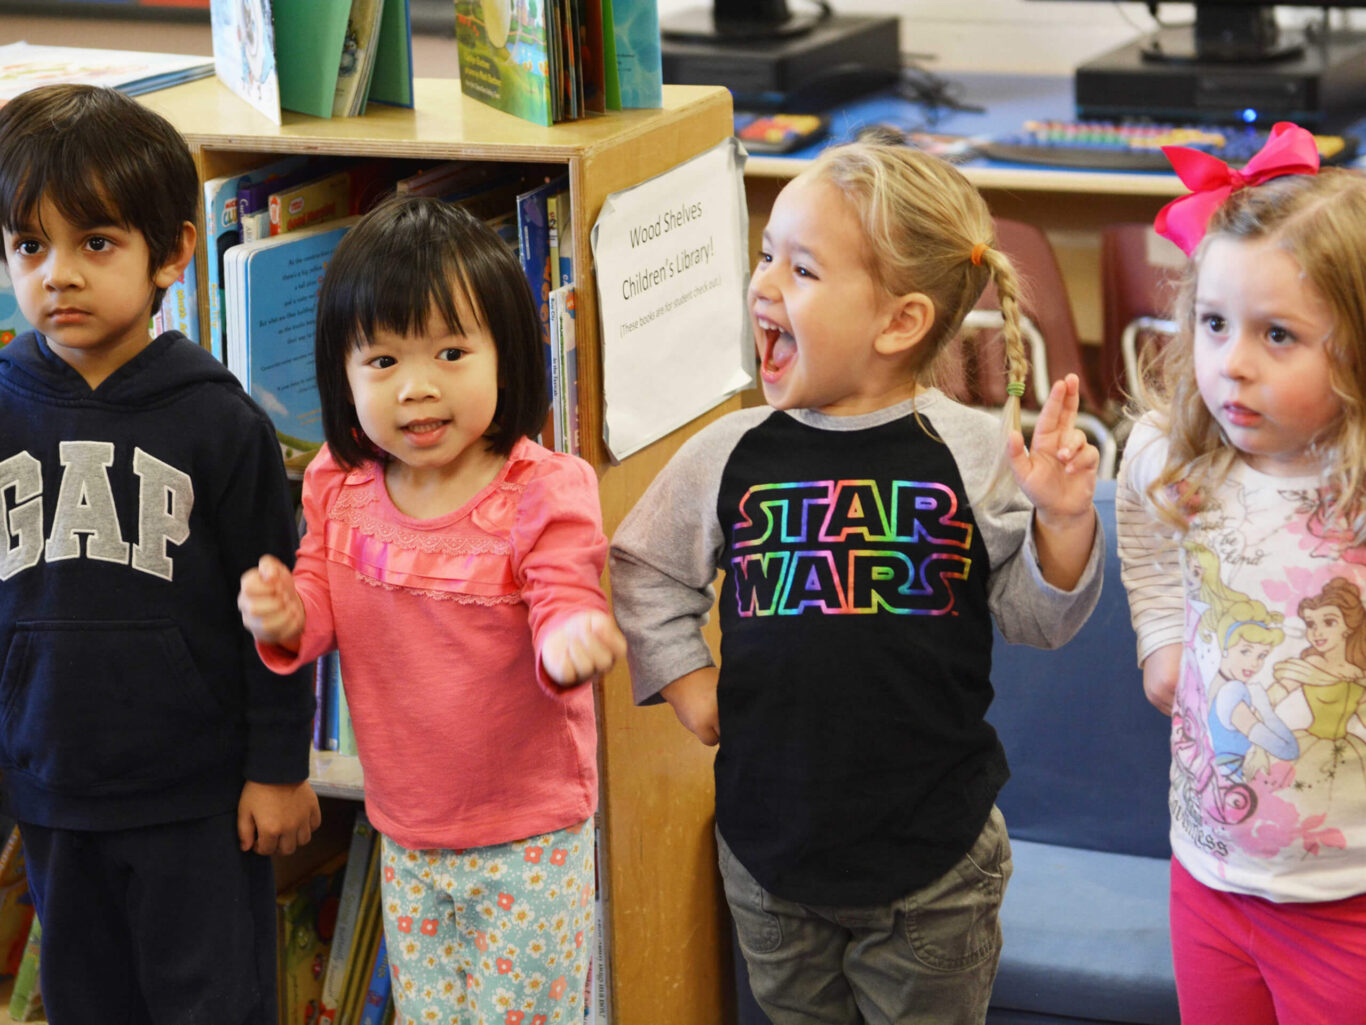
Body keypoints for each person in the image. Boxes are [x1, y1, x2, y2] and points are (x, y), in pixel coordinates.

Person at [609, 142, 1103, 1025]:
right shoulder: (728, 453)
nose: (763, 285)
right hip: (771, 862)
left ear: (900, 320)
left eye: (800, 268)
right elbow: (644, 564)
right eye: (765, 254)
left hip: (934, 871)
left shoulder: (977, 453)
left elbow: (1036, 619)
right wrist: (685, 680)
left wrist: (1063, 524)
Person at [237, 194, 626, 1024]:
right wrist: (280, 614)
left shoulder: (542, 490)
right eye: (381, 362)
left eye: (451, 352)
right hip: (407, 829)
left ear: (507, 357)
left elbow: (565, 588)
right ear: (341, 375)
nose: (417, 387)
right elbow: (316, 614)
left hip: (528, 834)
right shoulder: (338, 488)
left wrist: (570, 637)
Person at [0, 84, 319, 1023]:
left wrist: (278, 765)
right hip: (54, 791)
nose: (57, 274)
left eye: (95, 243)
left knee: (211, 1006)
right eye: (29, 245)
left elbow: (276, 607)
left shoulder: (220, 421)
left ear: (175, 252)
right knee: (85, 1002)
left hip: (198, 799)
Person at [1117, 121, 1366, 1022]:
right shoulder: (1186, 463)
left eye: (1280, 335)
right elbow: (1141, 510)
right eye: (1215, 325)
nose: (1233, 365)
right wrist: (1162, 638)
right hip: (1210, 879)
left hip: (1347, 903)